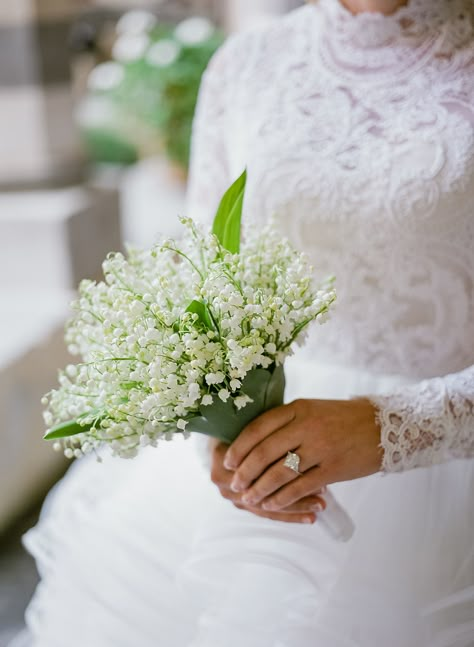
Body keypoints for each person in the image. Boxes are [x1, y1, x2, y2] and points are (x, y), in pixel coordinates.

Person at [20, 0, 474, 645]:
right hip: (263, 444)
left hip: (444, 478)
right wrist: (223, 434)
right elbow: (206, 271)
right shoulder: (247, 63)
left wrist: (391, 427)